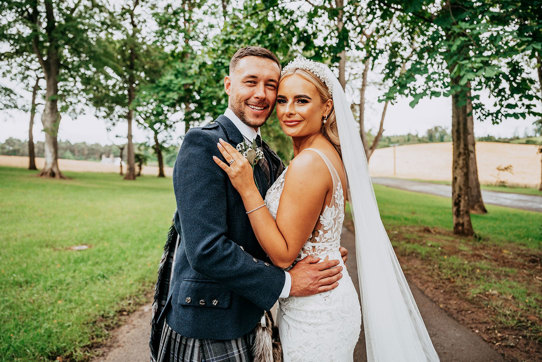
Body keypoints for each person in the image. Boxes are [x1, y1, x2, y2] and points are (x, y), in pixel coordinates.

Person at [214, 57, 440, 361]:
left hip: (315, 314)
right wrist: (326, 249)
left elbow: (283, 254)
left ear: (327, 107)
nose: (288, 110)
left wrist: (248, 188)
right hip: (323, 298)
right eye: (282, 100)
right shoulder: (326, 154)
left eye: (302, 100)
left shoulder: (309, 163)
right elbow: (315, 230)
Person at [150, 47, 347, 362]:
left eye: (271, 85)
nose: (262, 94)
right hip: (208, 321)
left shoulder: (270, 158)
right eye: (251, 82)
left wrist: (315, 249)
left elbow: (275, 230)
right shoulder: (203, 143)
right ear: (229, 85)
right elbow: (206, 249)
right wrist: (287, 282)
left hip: (249, 314)